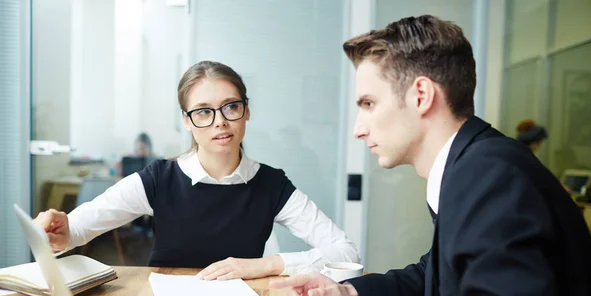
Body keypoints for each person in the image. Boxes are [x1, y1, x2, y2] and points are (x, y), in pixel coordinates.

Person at [271, 15, 591, 296]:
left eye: (368, 104)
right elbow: (438, 271)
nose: (359, 128)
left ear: (421, 96)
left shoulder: (491, 180)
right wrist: (348, 293)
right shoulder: (475, 166)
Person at [34, 61, 359, 279]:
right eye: (204, 111)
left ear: (247, 112)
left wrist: (262, 266)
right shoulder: (160, 179)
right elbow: (79, 230)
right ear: (188, 121)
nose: (220, 121)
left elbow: (345, 253)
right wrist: (62, 232)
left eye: (231, 107)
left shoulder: (271, 184)